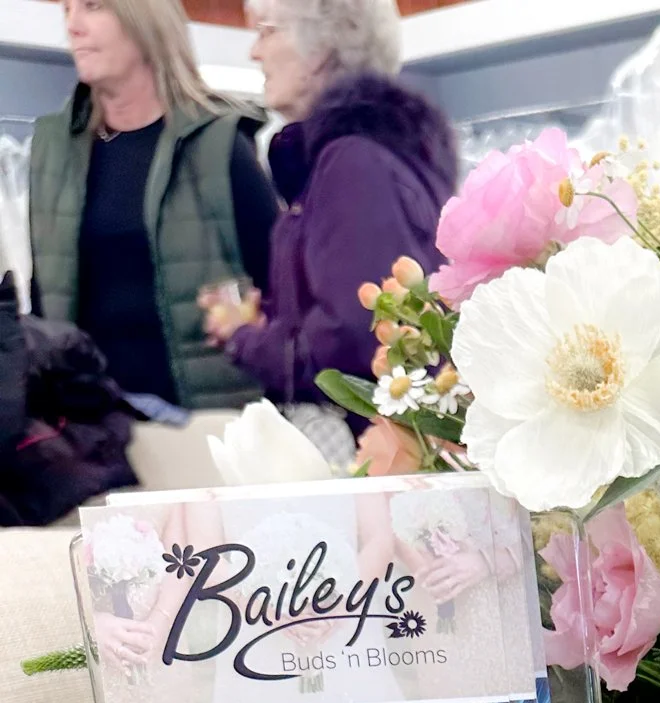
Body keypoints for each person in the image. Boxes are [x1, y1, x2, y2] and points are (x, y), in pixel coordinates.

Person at [29, 0, 278, 412]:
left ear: (142, 16)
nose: (72, 25)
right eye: (67, 9)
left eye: (92, 6)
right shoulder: (54, 151)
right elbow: (43, 302)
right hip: (92, 429)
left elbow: (277, 288)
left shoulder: (217, 143)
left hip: (204, 422)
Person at [207, 0, 455, 411]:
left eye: (268, 31)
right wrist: (265, 316)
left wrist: (244, 337)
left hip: (367, 453)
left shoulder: (352, 163)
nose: (255, 52)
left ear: (319, 51)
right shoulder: (365, 157)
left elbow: (352, 344)